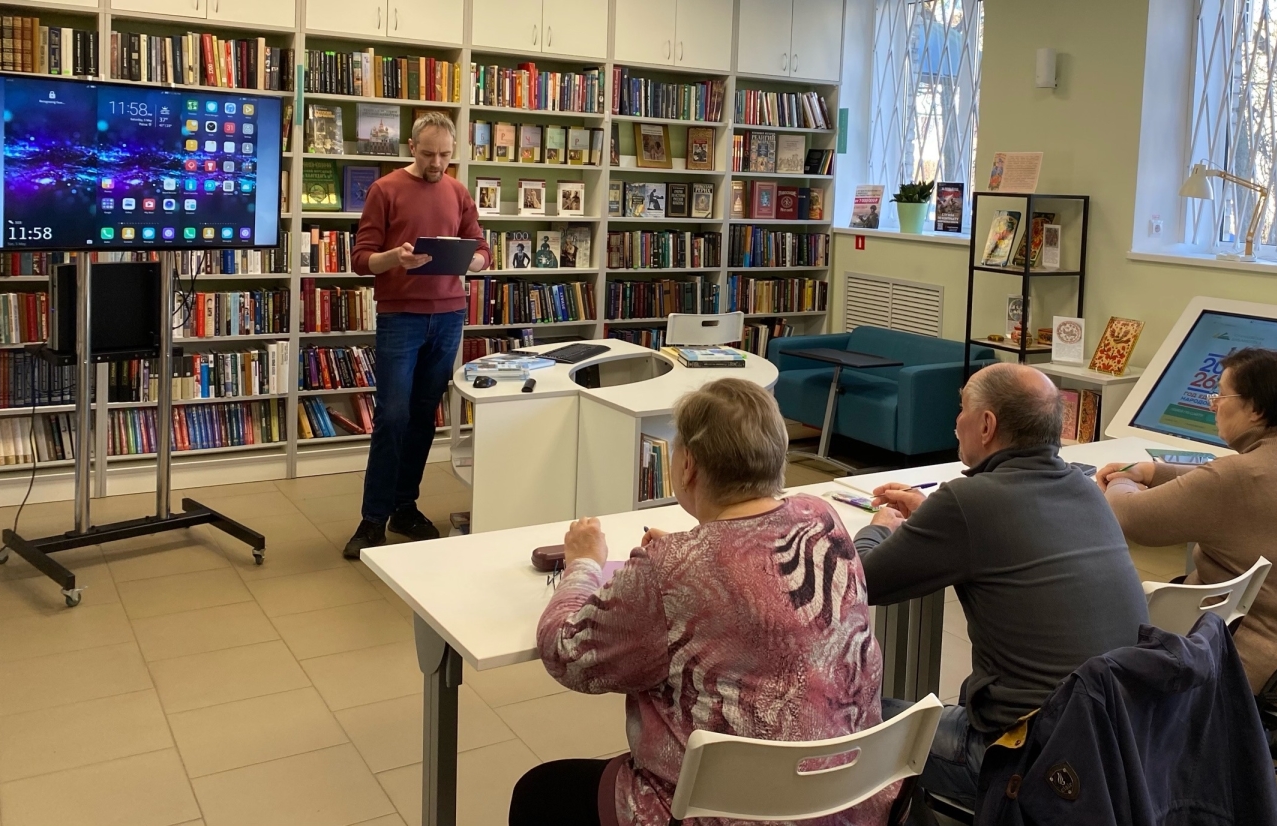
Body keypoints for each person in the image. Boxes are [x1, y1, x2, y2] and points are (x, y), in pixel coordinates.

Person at [514, 379, 896, 826]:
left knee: (539, 793)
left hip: (721, 812)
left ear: (688, 465)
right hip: (841, 799)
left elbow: (567, 654)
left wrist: (582, 563)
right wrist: (685, 555)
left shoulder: (671, 567)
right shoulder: (819, 518)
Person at [854, 363, 1148, 810]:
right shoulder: (1086, 489)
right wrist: (934, 515)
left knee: (847, 716)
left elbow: (858, 582)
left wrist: (879, 527)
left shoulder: (967, 502)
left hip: (1026, 758)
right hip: (1116, 746)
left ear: (987, 425)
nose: (956, 421)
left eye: (962, 408)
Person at [1099, 348, 1277, 762]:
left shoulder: (1242, 476)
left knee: (1127, 616)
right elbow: (1215, 480)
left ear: (1255, 410)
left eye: (1222, 395)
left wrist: (1120, 480)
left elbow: (1131, 518)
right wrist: (1152, 472)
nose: (1214, 404)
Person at [342, 111, 491, 559]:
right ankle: (373, 519)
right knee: (393, 417)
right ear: (412, 148)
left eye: (445, 155)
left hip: (448, 316)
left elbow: (481, 249)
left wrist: (470, 261)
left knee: (424, 417)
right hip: (401, 317)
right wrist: (395, 258)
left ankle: (404, 508)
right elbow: (361, 259)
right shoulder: (385, 189)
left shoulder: (458, 191)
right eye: (428, 154)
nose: (437, 163)